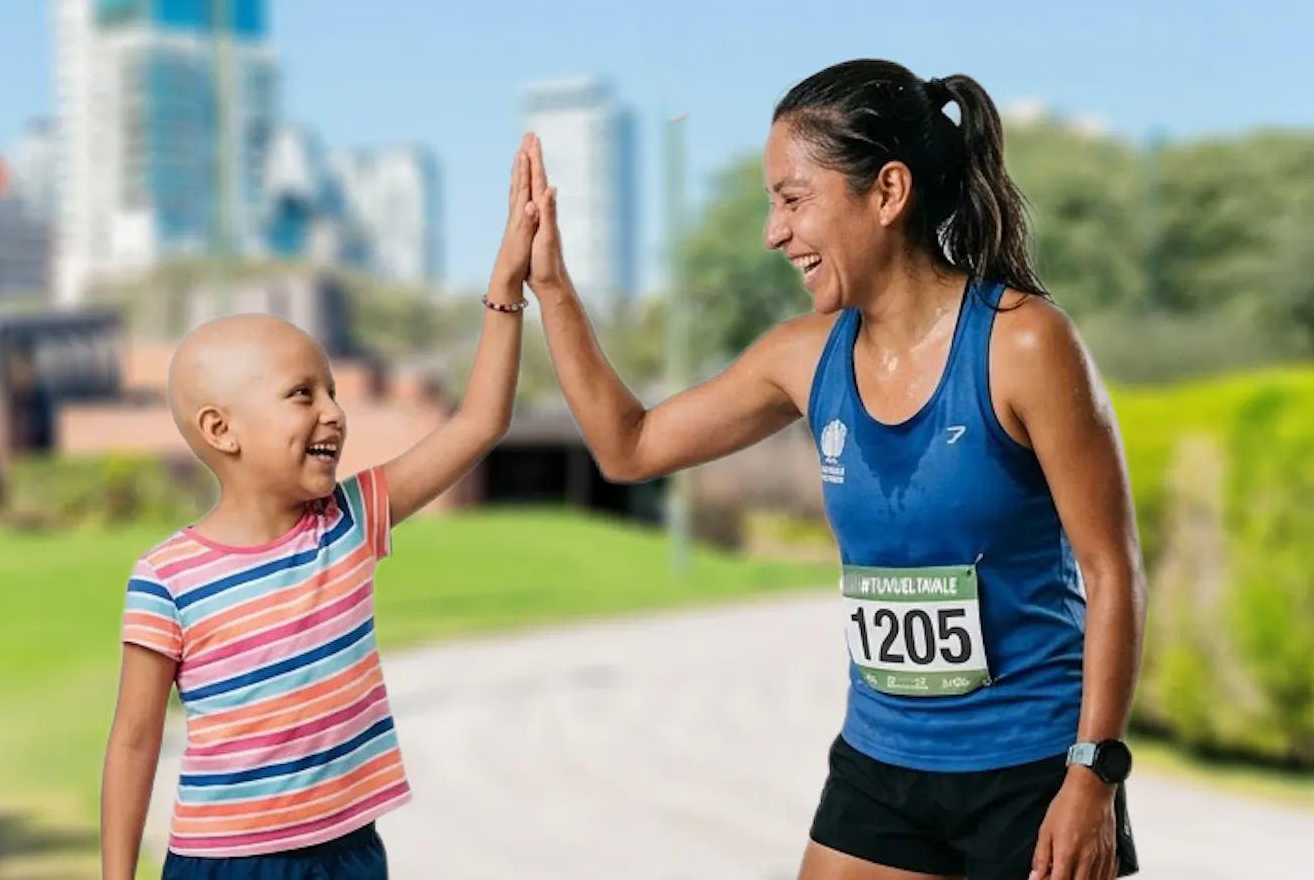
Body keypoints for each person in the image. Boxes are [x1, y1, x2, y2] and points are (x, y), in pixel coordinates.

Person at [523, 59, 1145, 880]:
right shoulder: (803, 358)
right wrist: (553, 287)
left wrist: (1092, 774)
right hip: (880, 768)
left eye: (792, 198)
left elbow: (1112, 570)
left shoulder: (1023, 345)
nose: (774, 233)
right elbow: (627, 446)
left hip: (1029, 773)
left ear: (887, 193)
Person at [99, 136, 542, 880]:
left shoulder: (352, 518)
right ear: (221, 430)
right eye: (303, 394)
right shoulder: (166, 579)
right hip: (224, 866)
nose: (335, 413)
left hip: (348, 854)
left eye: (333, 390)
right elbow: (135, 740)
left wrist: (505, 288)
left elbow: (478, 423)